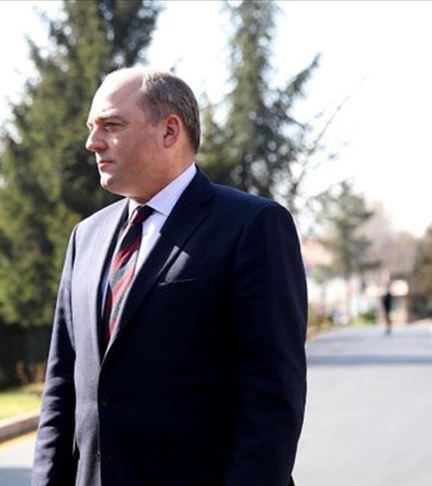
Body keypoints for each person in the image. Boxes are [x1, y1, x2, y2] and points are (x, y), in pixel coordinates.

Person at [32, 67, 307, 486]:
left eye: (112, 125)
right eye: (92, 128)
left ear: (169, 131)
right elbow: (60, 391)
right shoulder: (85, 237)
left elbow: (271, 399)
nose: (93, 142)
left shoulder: (252, 226)